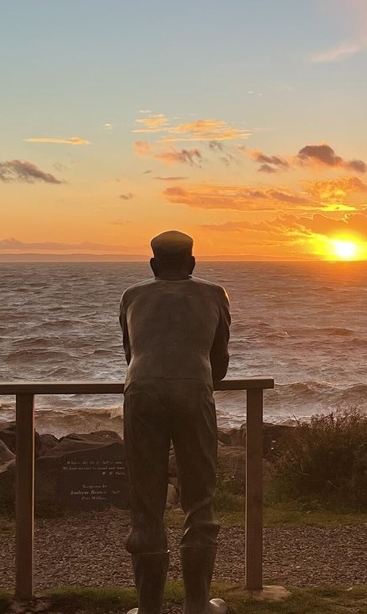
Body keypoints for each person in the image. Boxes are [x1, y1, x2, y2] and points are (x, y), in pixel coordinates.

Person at [120, 230, 231, 614]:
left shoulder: (132, 296)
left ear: (152, 265)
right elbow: (220, 362)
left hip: (142, 392)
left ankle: (148, 609)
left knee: (145, 505)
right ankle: (198, 606)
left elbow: (130, 353)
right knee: (199, 501)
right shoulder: (214, 294)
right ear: (192, 262)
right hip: (193, 390)